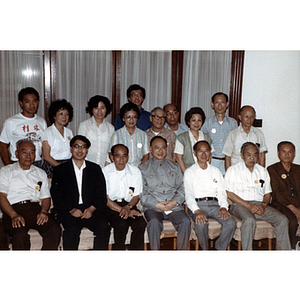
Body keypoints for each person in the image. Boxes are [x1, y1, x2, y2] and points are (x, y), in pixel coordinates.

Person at [225, 142, 291, 250]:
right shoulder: (233, 170)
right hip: (239, 204)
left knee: (282, 219)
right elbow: (229, 193)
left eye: (255, 154)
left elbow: (267, 193)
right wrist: (249, 206)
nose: (252, 158)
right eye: (249, 154)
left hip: (259, 204)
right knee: (249, 220)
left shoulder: (262, 171)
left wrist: (263, 205)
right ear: (242, 155)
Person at [51, 135, 110, 250]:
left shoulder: (95, 169)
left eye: (83, 147)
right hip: (70, 210)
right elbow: (57, 195)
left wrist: (92, 208)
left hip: (90, 209)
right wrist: (71, 209)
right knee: (71, 230)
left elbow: (101, 194)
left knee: (104, 227)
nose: (80, 150)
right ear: (71, 149)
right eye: (76, 146)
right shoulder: (60, 170)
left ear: (87, 150)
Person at [0, 139, 61, 250]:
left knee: (54, 230)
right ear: (17, 154)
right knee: (20, 236)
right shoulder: (6, 171)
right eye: (24, 152)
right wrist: (13, 215)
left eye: (32, 152)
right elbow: (2, 196)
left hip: (35, 209)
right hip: (13, 209)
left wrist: (44, 211)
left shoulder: (40, 173)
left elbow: (46, 197)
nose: (29, 156)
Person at [139, 136, 191, 250]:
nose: (160, 150)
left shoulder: (175, 166)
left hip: (173, 206)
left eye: (163, 147)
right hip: (153, 207)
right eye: (157, 147)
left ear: (167, 149)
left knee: (186, 221)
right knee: (153, 222)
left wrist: (174, 202)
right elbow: (142, 191)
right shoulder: (143, 168)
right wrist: (157, 204)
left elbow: (182, 187)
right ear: (150, 149)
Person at [184, 140, 236, 250]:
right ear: (194, 152)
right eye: (200, 151)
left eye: (206, 151)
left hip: (214, 205)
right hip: (198, 205)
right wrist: (196, 210)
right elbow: (188, 195)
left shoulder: (215, 171)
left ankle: (218, 249)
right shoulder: (189, 172)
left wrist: (223, 207)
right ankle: (206, 250)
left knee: (231, 222)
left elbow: (221, 193)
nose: (203, 154)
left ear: (210, 153)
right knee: (201, 224)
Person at [103, 144, 146, 250]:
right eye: (117, 156)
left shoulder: (135, 171)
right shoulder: (105, 172)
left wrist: (128, 207)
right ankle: (119, 250)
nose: (121, 160)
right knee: (121, 224)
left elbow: (136, 195)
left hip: (129, 205)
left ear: (128, 157)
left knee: (140, 223)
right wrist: (123, 210)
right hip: (111, 207)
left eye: (124, 156)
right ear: (112, 157)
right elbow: (106, 199)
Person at [0, 87, 47, 168]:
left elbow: (45, 145)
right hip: (18, 162)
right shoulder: (11, 122)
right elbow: (2, 146)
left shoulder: (42, 121)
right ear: (21, 103)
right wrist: (9, 167)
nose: (32, 105)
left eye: (34, 101)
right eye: (27, 101)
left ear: (38, 102)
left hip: (37, 163)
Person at [267, 141, 300, 249]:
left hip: (297, 202)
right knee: (292, 221)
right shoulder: (272, 169)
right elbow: (276, 193)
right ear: (278, 153)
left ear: (294, 153)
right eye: (284, 151)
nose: (287, 154)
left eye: (290, 152)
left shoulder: (298, 169)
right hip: (281, 204)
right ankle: (290, 248)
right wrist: (293, 208)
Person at [201, 92, 238, 175]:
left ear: (227, 104)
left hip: (228, 162)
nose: (220, 105)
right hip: (212, 161)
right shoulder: (207, 123)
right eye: (217, 102)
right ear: (212, 104)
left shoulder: (233, 123)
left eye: (223, 102)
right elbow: (202, 142)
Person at [222, 105, 267, 171]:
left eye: (252, 117)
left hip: (253, 171)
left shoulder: (259, 133)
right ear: (240, 117)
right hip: (237, 171)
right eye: (246, 117)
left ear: (255, 117)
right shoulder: (233, 134)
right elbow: (228, 156)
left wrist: (261, 172)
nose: (249, 120)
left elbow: (261, 155)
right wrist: (229, 174)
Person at [78, 95, 114, 168]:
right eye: (96, 108)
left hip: (105, 165)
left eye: (102, 108)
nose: (99, 111)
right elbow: (81, 146)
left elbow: (112, 148)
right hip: (86, 165)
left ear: (106, 109)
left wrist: (107, 163)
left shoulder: (111, 128)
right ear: (91, 109)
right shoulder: (84, 125)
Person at [109, 102, 149, 167]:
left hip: (138, 170)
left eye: (134, 117)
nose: (131, 120)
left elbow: (146, 155)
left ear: (137, 118)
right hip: (121, 169)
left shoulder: (143, 135)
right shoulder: (116, 134)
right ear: (123, 119)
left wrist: (139, 169)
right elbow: (111, 154)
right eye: (128, 117)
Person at [174, 107, 212, 173]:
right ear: (188, 122)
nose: (196, 123)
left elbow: (209, 156)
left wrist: (206, 171)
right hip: (186, 173)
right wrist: (187, 174)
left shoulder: (207, 137)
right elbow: (179, 159)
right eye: (193, 120)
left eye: (199, 120)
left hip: (204, 173)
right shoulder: (181, 138)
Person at [42, 99, 74, 179]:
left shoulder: (69, 132)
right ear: (54, 116)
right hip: (52, 166)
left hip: (67, 166)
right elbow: (46, 156)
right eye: (61, 114)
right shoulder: (48, 132)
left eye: (67, 114)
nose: (64, 117)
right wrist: (61, 167)